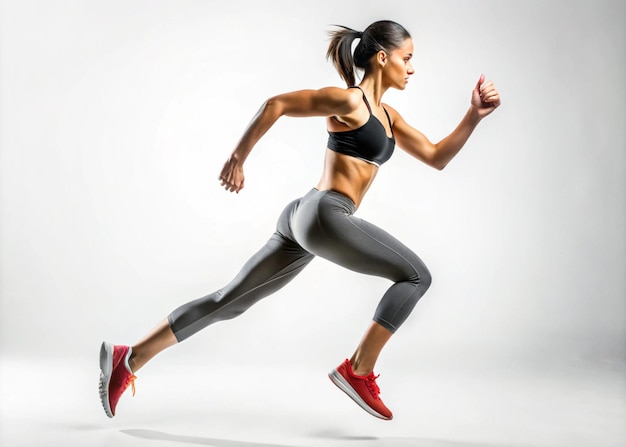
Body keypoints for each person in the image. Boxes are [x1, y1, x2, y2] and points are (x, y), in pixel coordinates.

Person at [98, 19, 501, 421]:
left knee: (230, 301)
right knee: (416, 276)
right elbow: (277, 105)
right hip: (325, 213)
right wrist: (238, 157)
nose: (411, 69)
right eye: (406, 58)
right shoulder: (349, 102)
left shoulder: (389, 117)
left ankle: (128, 358)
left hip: (304, 216)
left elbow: (436, 156)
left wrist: (474, 114)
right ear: (382, 58)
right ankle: (357, 370)